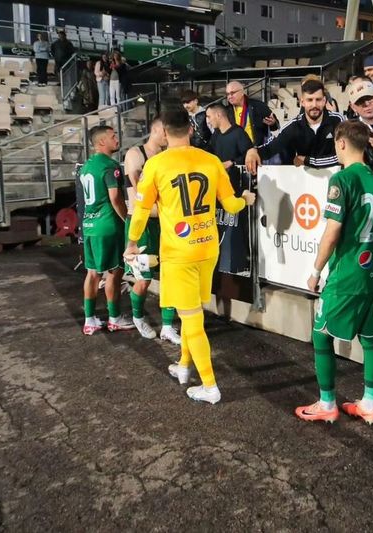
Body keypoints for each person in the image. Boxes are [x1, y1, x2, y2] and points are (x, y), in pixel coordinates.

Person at [125, 109, 256, 404]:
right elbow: (231, 205)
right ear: (191, 129)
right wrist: (245, 199)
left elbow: (141, 210)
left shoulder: (156, 165)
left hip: (179, 253)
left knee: (191, 318)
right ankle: (184, 366)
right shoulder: (210, 160)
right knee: (191, 311)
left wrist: (132, 243)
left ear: (164, 131)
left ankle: (210, 386)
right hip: (208, 247)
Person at [295, 120, 373, 425]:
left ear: (341, 144)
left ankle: (327, 403)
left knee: (320, 335)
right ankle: (370, 404)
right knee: (371, 339)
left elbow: (333, 231)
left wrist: (315, 269)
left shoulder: (342, 180)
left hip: (348, 274)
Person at [122, 117, 181, 344]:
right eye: (166, 132)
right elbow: (141, 196)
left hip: (164, 223)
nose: (169, 137)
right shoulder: (135, 154)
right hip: (143, 225)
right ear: (156, 130)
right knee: (143, 279)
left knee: (169, 275)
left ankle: (167, 326)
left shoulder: (168, 156)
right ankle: (137, 317)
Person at [79, 126, 134, 335]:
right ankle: (114, 318)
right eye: (113, 137)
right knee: (114, 272)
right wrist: (126, 220)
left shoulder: (86, 166)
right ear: (102, 142)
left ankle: (90, 319)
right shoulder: (110, 165)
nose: (117, 140)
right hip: (108, 226)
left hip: (89, 225)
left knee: (92, 273)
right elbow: (115, 198)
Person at [245, 80, 345, 174]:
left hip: (335, 178)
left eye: (318, 100)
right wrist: (254, 151)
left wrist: (307, 160)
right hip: (306, 180)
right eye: (309, 100)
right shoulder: (293, 126)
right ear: (302, 102)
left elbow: (344, 156)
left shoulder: (338, 121)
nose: (314, 105)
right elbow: (272, 148)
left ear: (324, 101)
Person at [205, 103, 254, 279]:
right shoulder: (216, 135)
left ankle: (243, 259)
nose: (208, 121)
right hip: (218, 191)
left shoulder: (239, 133)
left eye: (209, 117)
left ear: (219, 115)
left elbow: (250, 154)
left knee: (238, 225)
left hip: (237, 189)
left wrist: (232, 162)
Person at [224, 81, 279, 146]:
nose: (230, 96)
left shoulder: (258, 106)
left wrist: (273, 123)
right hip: (237, 151)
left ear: (242, 92)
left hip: (257, 150)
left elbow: (275, 126)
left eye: (232, 93)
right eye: (227, 94)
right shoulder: (226, 111)